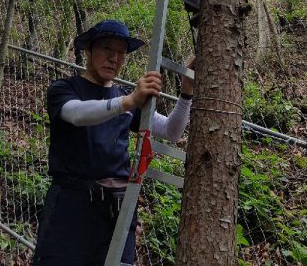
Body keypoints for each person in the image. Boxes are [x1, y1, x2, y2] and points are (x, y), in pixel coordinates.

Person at [33, 19, 193, 266]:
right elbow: (76, 114)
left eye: (121, 53)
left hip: (118, 208)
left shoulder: (122, 97)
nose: (114, 58)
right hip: (72, 205)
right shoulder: (65, 88)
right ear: (89, 50)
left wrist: (186, 92)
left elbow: (171, 131)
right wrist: (129, 102)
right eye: (107, 49)